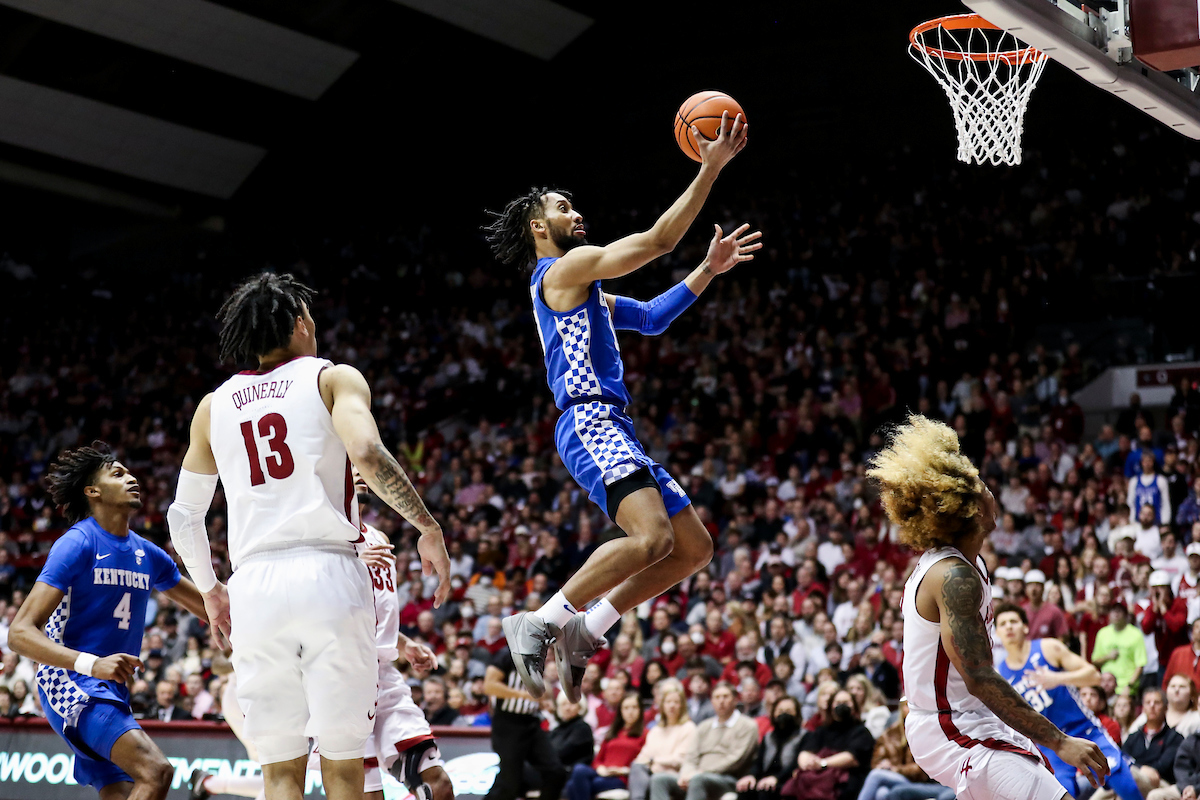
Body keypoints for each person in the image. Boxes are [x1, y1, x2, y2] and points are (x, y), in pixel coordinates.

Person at [484, 112, 759, 704]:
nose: (576, 213)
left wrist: (707, 270)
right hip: (589, 419)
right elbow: (657, 241)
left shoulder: (586, 290)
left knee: (693, 548)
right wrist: (709, 170)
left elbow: (653, 318)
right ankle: (542, 622)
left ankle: (587, 629)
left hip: (613, 425)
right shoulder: (562, 270)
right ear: (539, 227)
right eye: (563, 208)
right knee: (650, 536)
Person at [167, 273, 451, 800]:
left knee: (280, 771)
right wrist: (427, 526)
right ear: (300, 323)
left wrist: (210, 589)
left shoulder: (212, 406)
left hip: (253, 586)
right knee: (344, 766)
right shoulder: (332, 378)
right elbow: (367, 453)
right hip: (329, 574)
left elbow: (183, 517)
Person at [867, 415, 1109, 800]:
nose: (990, 491)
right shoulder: (952, 576)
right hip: (949, 725)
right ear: (969, 508)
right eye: (983, 486)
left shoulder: (968, 563)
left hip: (969, 715)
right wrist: (1061, 741)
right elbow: (979, 677)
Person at [192, 472, 455, 800]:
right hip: (340, 671)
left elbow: (369, 608)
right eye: (348, 466)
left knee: (439, 786)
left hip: (384, 674)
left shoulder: (378, 536)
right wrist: (345, 565)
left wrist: (404, 643)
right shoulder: (315, 538)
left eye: (359, 467)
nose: (356, 472)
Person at [7, 444, 210, 798]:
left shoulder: (147, 553)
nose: (131, 478)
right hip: (69, 680)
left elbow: (212, 608)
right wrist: (92, 664)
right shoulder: (77, 543)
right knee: (156, 772)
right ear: (93, 491)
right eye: (117, 474)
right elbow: (19, 633)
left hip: (111, 687)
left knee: (125, 792)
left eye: (129, 472)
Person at [993, 602, 1141, 800]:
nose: (1009, 627)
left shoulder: (1048, 647)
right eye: (1003, 624)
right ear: (997, 633)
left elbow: (1094, 676)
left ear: (1025, 627)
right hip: (1050, 745)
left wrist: (1057, 678)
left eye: (1013, 621)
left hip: (1084, 730)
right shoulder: (1000, 675)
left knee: (1126, 786)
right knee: (1062, 794)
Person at [483, 645, 567, 800]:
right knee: (510, 783)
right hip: (508, 724)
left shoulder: (539, 657)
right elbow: (489, 686)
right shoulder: (507, 654)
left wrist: (542, 703)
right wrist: (521, 695)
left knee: (555, 772)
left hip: (532, 723)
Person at [649, 681, 758, 800]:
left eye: (725, 697)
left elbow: (737, 759)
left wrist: (702, 772)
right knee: (659, 779)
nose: (721, 701)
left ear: (735, 700)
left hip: (727, 779)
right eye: (717, 697)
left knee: (698, 780)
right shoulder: (704, 726)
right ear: (712, 701)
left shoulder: (747, 725)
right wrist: (686, 775)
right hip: (697, 776)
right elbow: (691, 757)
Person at [855, 698, 954, 800]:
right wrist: (884, 765)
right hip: (892, 776)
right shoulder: (889, 734)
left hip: (914, 780)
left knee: (875, 775)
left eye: (914, 706)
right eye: (907, 705)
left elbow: (923, 769)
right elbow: (877, 761)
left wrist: (896, 769)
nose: (910, 709)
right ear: (901, 708)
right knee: (882, 793)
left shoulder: (927, 733)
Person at [790, 688, 876, 800]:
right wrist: (807, 764)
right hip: (818, 777)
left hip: (847, 780)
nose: (842, 705)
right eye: (838, 702)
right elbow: (805, 753)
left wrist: (822, 763)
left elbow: (851, 758)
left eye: (846, 703)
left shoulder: (861, 732)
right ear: (831, 707)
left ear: (854, 707)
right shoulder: (821, 731)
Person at [566, 692, 647, 800]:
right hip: (603, 773)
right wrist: (600, 768)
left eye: (634, 707)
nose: (630, 711)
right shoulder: (613, 732)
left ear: (640, 710)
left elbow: (644, 763)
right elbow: (597, 760)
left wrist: (622, 770)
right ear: (621, 711)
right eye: (626, 708)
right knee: (579, 769)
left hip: (621, 777)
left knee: (572, 786)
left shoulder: (645, 734)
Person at [631, 679, 695, 800]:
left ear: (682, 705)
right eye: (668, 702)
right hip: (654, 771)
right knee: (636, 767)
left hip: (677, 777)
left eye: (676, 702)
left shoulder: (688, 727)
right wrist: (652, 763)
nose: (672, 705)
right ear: (662, 705)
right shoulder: (655, 730)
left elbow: (680, 760)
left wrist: (655, 761)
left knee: (657, 778)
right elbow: (643, 757)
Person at [1115, 688, 1183, 798]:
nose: (1152, 706)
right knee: (1115, 778)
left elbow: (1163, 767)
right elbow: (1121, 758)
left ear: (1166, 708)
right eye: (1148, 703)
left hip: (1161, 783)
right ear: (1143, 708)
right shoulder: (1134, 736)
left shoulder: (1175, 737)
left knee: (1127, 775)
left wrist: (1136, 768)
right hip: (1135, 777)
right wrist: (1141, 768)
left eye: (1157, 703)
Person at [735, 695, 803, 800]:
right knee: (746, 789)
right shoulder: (768, 736)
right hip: (765, 780)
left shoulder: (804, 736)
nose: (783, 714)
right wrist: (751, 776)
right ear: (774, 713)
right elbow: (758, 762)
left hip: (787, 780)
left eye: (788, 711)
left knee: (767, 791)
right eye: (780, 711)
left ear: (797, 714)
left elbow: (796, 764)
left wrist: (776, 778)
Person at [1094, 603, 1149, 692]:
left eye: (1119, 611)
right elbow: (1095, 660)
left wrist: (1129, 686)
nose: (1116, 614)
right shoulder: (1102, 633)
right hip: (1107, 688)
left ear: (1126, 615)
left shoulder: (1136, 634)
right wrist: (1108, 657)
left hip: (1127, 686)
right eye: (1113, 611)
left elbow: (1140, 664)